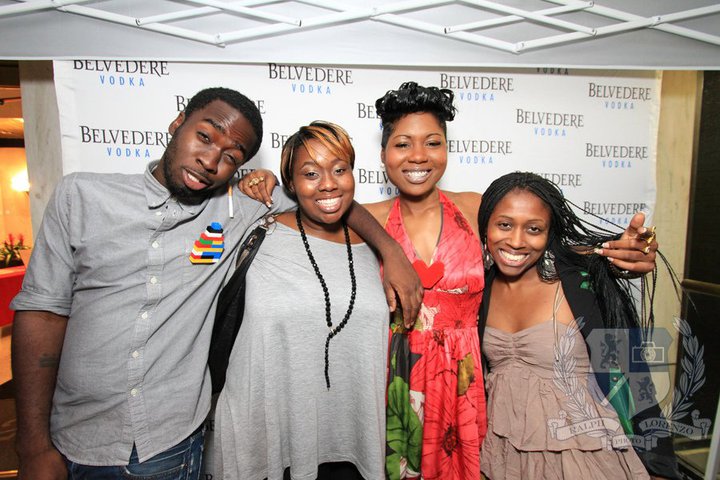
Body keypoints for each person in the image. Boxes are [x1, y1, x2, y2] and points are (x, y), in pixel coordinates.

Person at [246, 81, 660, 480]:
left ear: (446, 148)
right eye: (402, 144)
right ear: (384, 154)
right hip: (395, 384)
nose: (418, 156)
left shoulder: (475, 208)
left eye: (432, 142)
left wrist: (614, 257)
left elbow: (532, 244)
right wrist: (264, 183)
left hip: (467, 385)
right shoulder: (366, 217)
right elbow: (320, 199)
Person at [10, 87, 422, 480]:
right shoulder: (81, 195)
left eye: (230, 156)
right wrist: (32, 446)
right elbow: (41, 314)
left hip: (167, 445)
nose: (210, 160)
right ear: (178, 123)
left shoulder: (239, 208)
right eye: (204, 136)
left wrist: (391, 250)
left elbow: (330, 198)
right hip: (74, 437)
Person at [477, 172, 681, 479]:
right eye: (504, 225)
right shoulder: (479, 287)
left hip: (585, 453)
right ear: (485, 227)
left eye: (534, 229)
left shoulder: (581, 284)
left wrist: (660, 463)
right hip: (505, 453)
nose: (516, 241)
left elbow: (633, 372)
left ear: (549, 234)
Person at [214, 121, 388, 480]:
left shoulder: (374, 244)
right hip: (267, 442)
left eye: (340, 169)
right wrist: (253, 183)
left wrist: (393, 252)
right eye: (310, 173)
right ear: (290, 184)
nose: (328, 183)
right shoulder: (257, 226)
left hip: (353, 444)